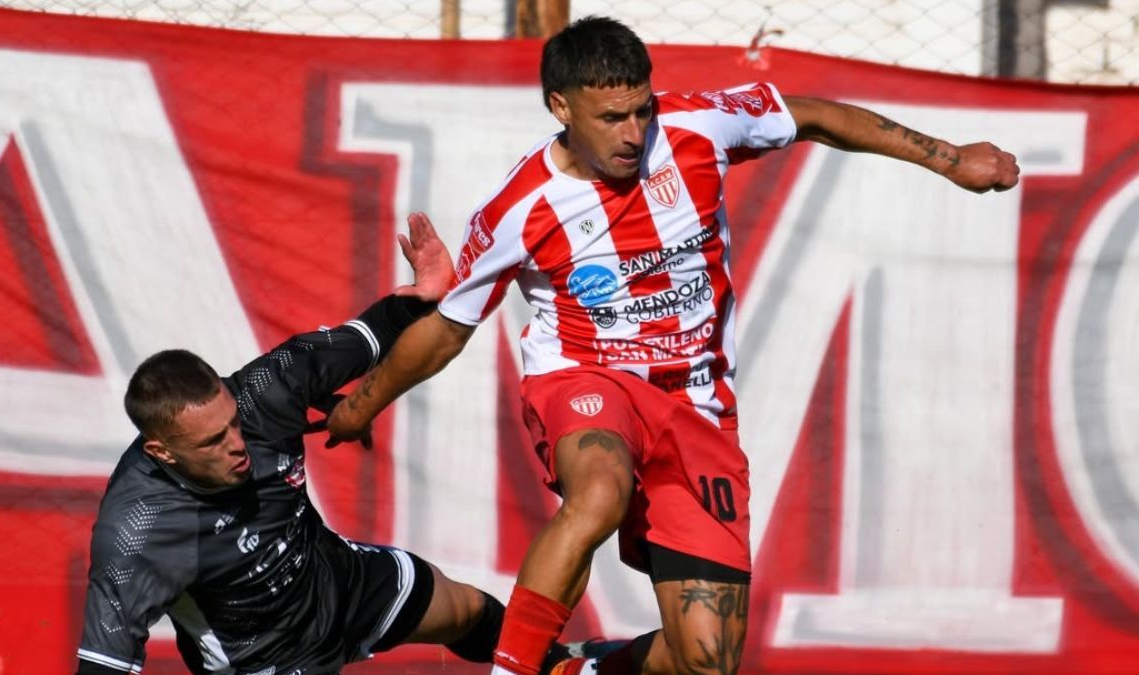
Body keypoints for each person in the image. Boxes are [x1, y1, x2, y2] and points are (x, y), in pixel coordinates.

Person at [326, 15, 1020, 675]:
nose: (633, 133)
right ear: (559, 106)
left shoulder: (696, 125)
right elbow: (448, 329)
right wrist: (362, 403)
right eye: (611, 118)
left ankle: (587, 665)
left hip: (697, 411)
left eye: (641, 110)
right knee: (599, 492)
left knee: (706, 657)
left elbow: (813, 114)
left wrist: (950, 158)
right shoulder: (520, 206)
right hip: (586, 383)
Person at [76, 217, 511, 674]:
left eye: (232, 423)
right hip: (267, 660)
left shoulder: (267, 390)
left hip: (336, 578)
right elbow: (102, 666)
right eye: (212, 442)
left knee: (466, 610)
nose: (236, 444)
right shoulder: (138, 531)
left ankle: (563, 665)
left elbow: (372, 332)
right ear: (162, 453)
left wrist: (425, 298)